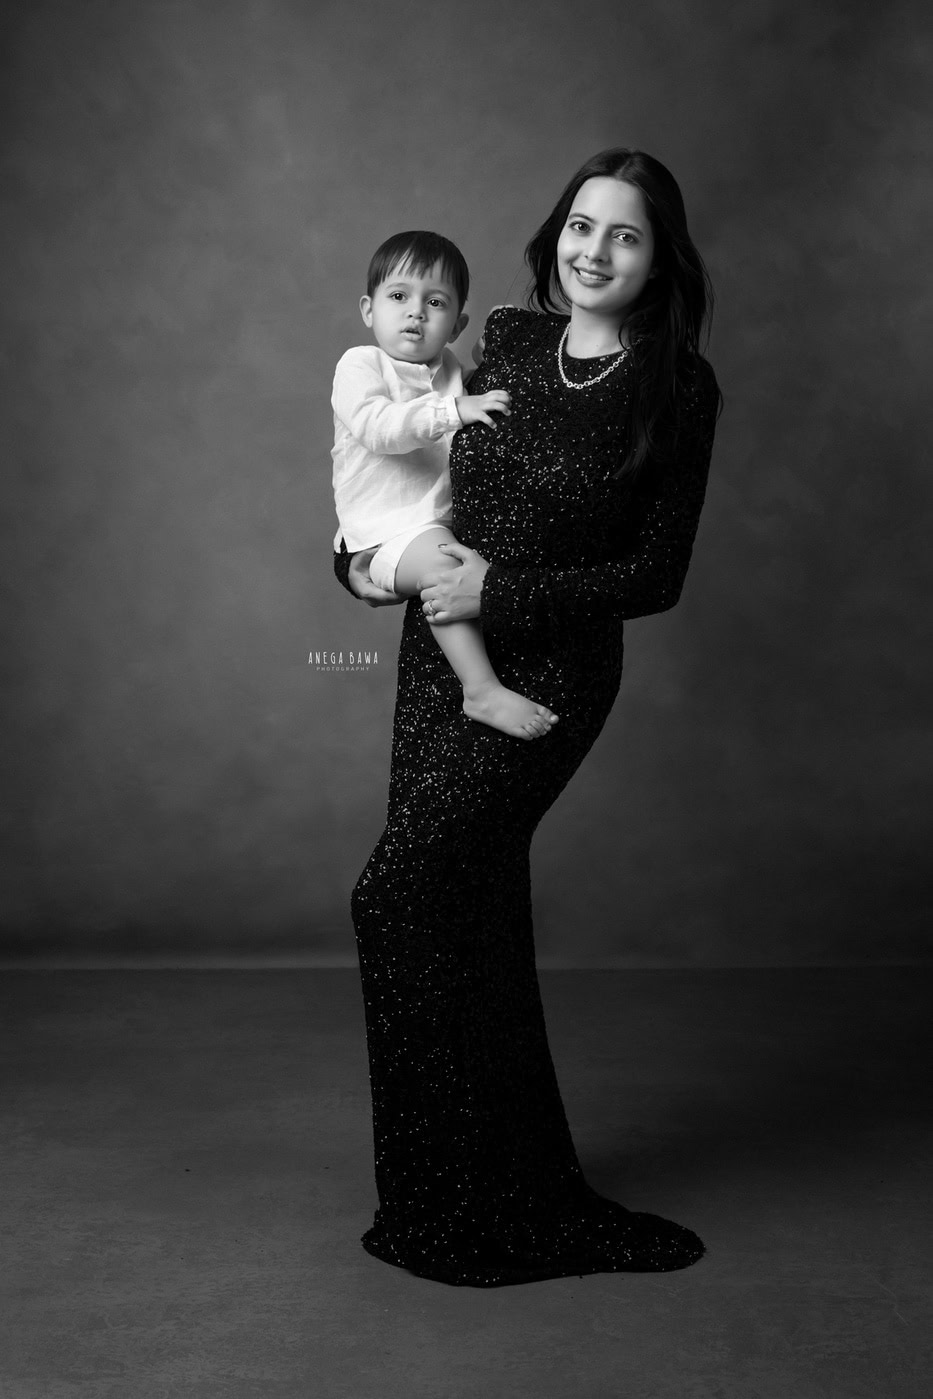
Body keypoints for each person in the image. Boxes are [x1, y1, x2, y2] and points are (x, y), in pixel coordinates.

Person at [334, 148, 722, 1286]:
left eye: (627, 235)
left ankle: (511, 1196)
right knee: (460, 919)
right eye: (581, 226)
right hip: (438, 661)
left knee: (392, 893)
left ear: (659, 261)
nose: (594, 251)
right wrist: (359, 572)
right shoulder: (497, 337)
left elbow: (657, 573)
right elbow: (392, 475)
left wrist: (504, 591)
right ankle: (441, 1196)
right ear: (557, 233)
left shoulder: (678, 388)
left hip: (547, 677)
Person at [332, 230, 557, 740]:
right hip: (384, 534)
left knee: (454, 560)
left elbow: (488, 395)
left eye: (435, 303)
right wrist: (454, 409)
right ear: (368, 309)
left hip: (435, 525)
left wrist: (504, 348)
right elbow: (379, 428)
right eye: (398, 297)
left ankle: (483, 677)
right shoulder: (361, 366)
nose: (415, 312)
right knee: (446, 569)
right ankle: (480, 689)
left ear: (456, 324)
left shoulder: (452, 372)